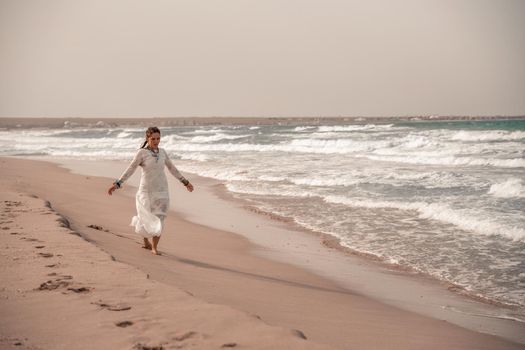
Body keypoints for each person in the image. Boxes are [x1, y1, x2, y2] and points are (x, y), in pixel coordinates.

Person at [107, 126, 194, 255]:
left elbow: (172, 168)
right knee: (144, 217)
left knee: (160, 218)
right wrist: (118, 183)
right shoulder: (142, 153)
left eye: (158, 139)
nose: (156, 141)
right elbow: (131, 168)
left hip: (161, 190)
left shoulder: (163, 152)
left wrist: (185, 182)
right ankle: (146, 242)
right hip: (145, 190)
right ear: (147, 138)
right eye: (153, 139)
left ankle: (154, 247)